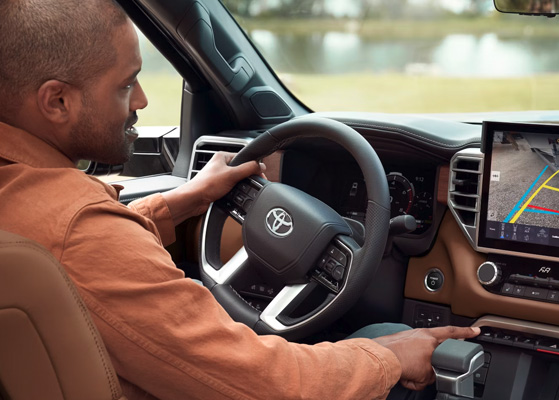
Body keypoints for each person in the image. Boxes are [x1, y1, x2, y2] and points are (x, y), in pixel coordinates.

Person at [0, 0, 479, 399]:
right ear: (56, 101)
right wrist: (389, 358)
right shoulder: (85, 233)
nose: (142, 100)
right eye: (126, 84)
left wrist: (180, 202)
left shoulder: (35, 203)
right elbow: (267, 384)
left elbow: (72, 247)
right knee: (389, 344)